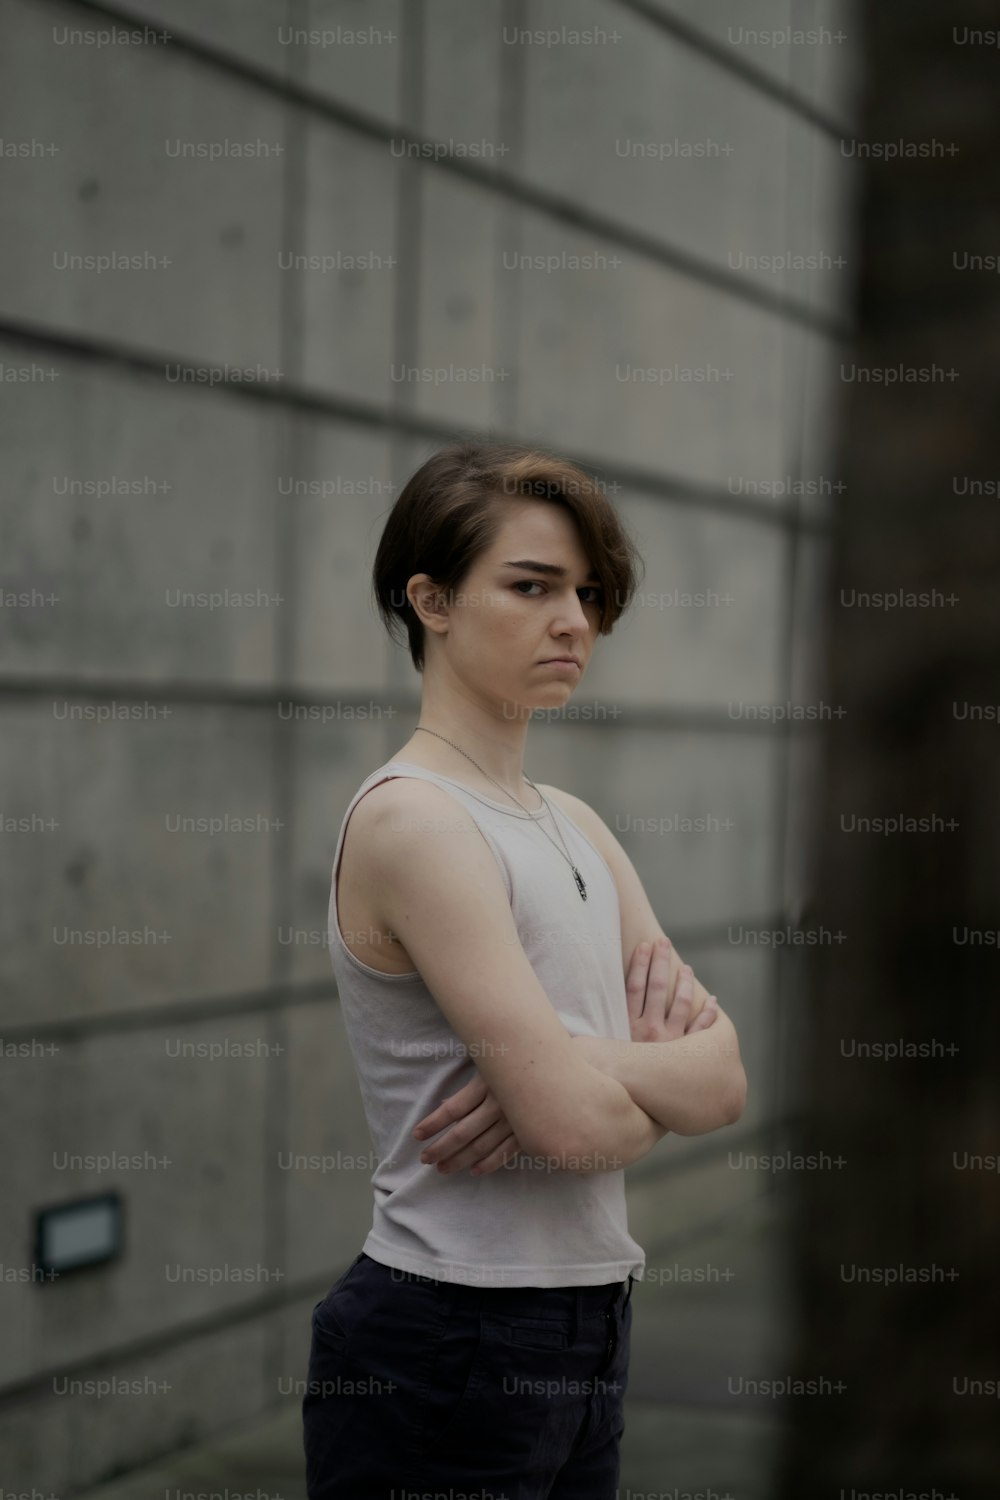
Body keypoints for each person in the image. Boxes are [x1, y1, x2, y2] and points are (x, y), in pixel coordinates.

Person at [302, 441, 747, 1498]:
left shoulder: (573, 823)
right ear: (432, 599)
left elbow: (724, 1081)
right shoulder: (416, 818)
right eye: (532, 586)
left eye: (587, 594)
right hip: (450, 1330)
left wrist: (568, 1058)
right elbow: (569, 1130)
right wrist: (593, 1081)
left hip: (590, 1319)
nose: (574, 623)